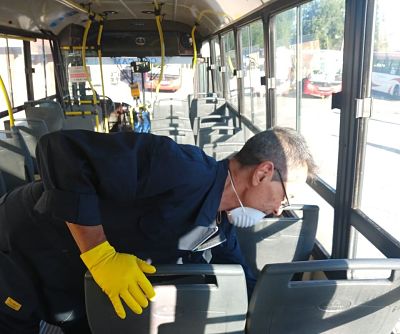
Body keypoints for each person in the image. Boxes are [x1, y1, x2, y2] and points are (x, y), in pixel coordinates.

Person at [0, 126, 316, 333]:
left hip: (73, 278)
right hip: (24, 245)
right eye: (285, 197)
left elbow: (242, 276)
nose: (278, 210)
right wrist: (99, 255)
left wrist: (281, 309)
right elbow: (60, 150)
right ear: (262, 173)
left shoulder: (219, 227)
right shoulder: (179, 167)